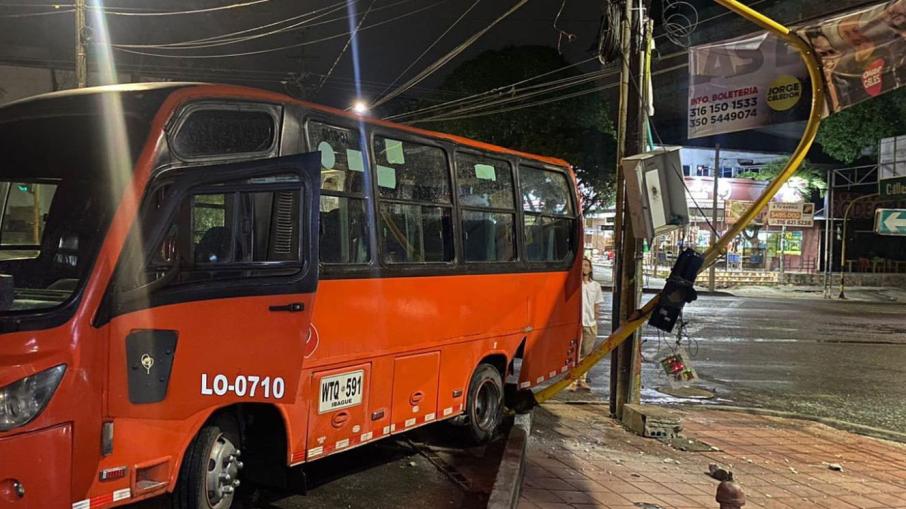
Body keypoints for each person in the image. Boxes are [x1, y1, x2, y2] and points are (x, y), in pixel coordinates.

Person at [572, 257, 604, 391]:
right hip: (576, 324)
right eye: (582, 265)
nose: (584, 267)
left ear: (590, 269)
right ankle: (572, 381)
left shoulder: (595, 286)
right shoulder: (575, 285)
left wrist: (595, 320)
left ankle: (582, 379)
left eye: (586, 265)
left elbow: (597, 305)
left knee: (586, 353)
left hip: (590, 323)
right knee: (574, 353)